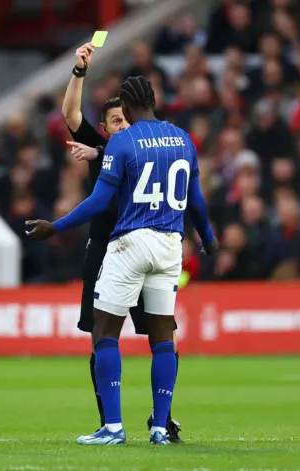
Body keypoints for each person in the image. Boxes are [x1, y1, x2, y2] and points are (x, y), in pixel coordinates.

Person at [27, 76, 217, 446]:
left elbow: (99, 202)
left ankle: (112, 427)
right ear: (155, 101)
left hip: (130, 243)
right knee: (163, 338)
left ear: (126, 109)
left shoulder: (123, 141)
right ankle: (160, 427)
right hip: (170, 245)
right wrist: (208, 238)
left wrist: (57, 226)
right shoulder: (182, 139)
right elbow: (196, 198)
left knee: (105, 332)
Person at [61, 42, 183, 442]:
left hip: (143, 245)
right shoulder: (106, 148)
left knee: (161, 336)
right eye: (115, 122)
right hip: (104, 250)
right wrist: (79, 72)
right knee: (102, 337)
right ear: (105, 128)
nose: (124, 127)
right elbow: (69, 114)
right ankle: (108, 420)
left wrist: (97, 152)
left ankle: (161, 417)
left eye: (125, 119)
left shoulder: (132, 148)